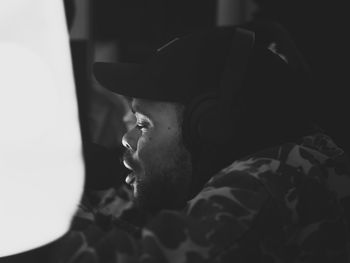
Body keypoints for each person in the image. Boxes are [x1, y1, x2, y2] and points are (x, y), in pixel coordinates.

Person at [52, 21, 350, 263]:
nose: (126, 139)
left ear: (210, 127)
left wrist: (33, 195)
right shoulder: (289, 166)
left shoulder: (267, 181)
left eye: (143, 124)